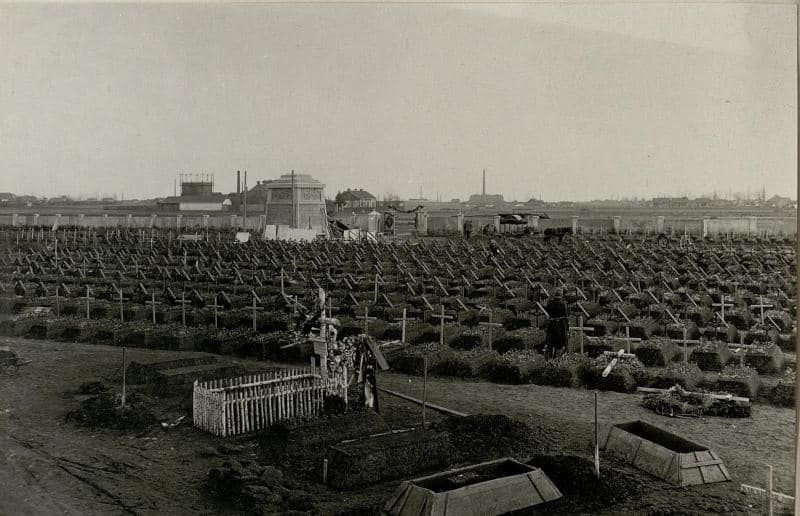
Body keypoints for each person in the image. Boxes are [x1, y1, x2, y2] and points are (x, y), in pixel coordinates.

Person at [545, 288, 569, 358]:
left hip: (552, 324)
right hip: (560, 324)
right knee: (560, 342)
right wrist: (567, 327)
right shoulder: (563, 304)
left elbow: (548, 312)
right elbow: (565, 316)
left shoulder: (550, 303)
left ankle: (549, 356)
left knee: (550, 342)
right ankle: (557, 356)